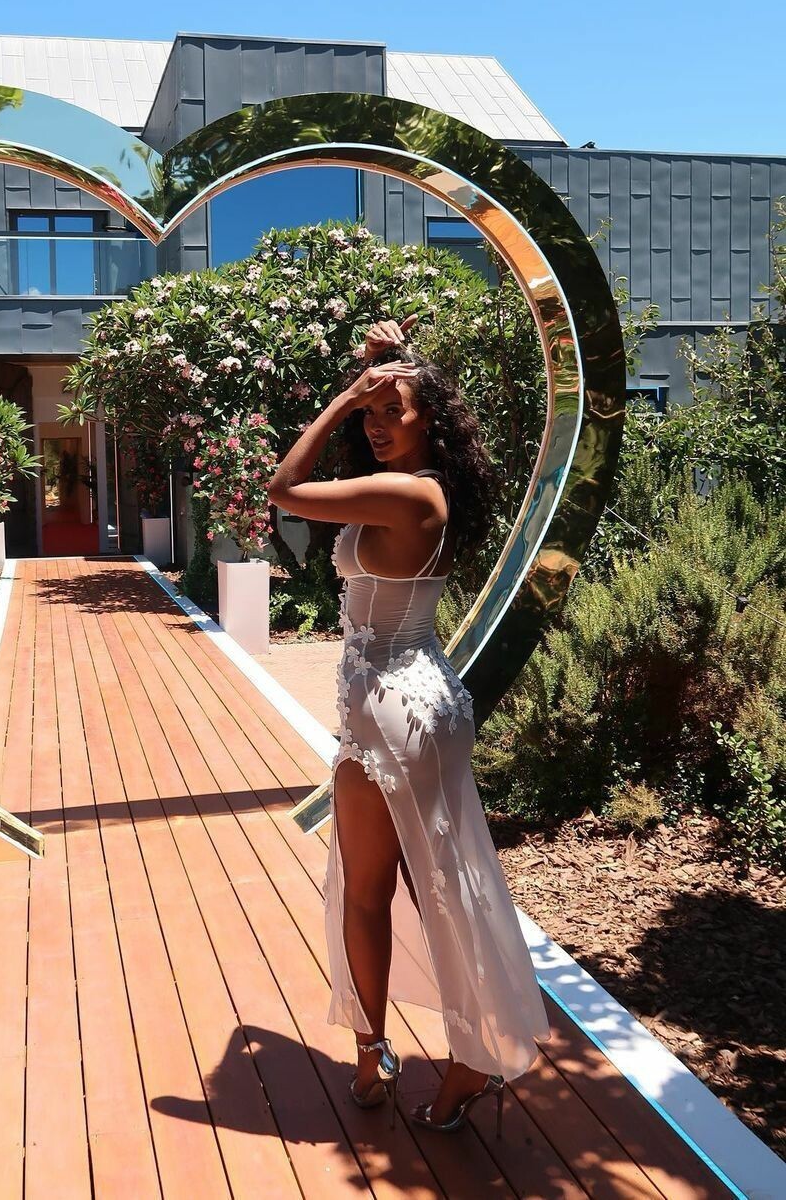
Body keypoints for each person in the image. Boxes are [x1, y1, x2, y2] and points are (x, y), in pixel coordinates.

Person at [267, 316, 552, 1136]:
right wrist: (377, 373)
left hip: (397, 713)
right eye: (370, 412)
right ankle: (405, 1052)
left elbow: (283, 488)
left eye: (394, 409)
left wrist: (340, 398)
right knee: (416, 886)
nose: (376, 422)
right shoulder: (410, 485)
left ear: (432, 419)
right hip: (407, 704)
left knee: (397, 892)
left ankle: (430, 1055)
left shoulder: (409, 493)